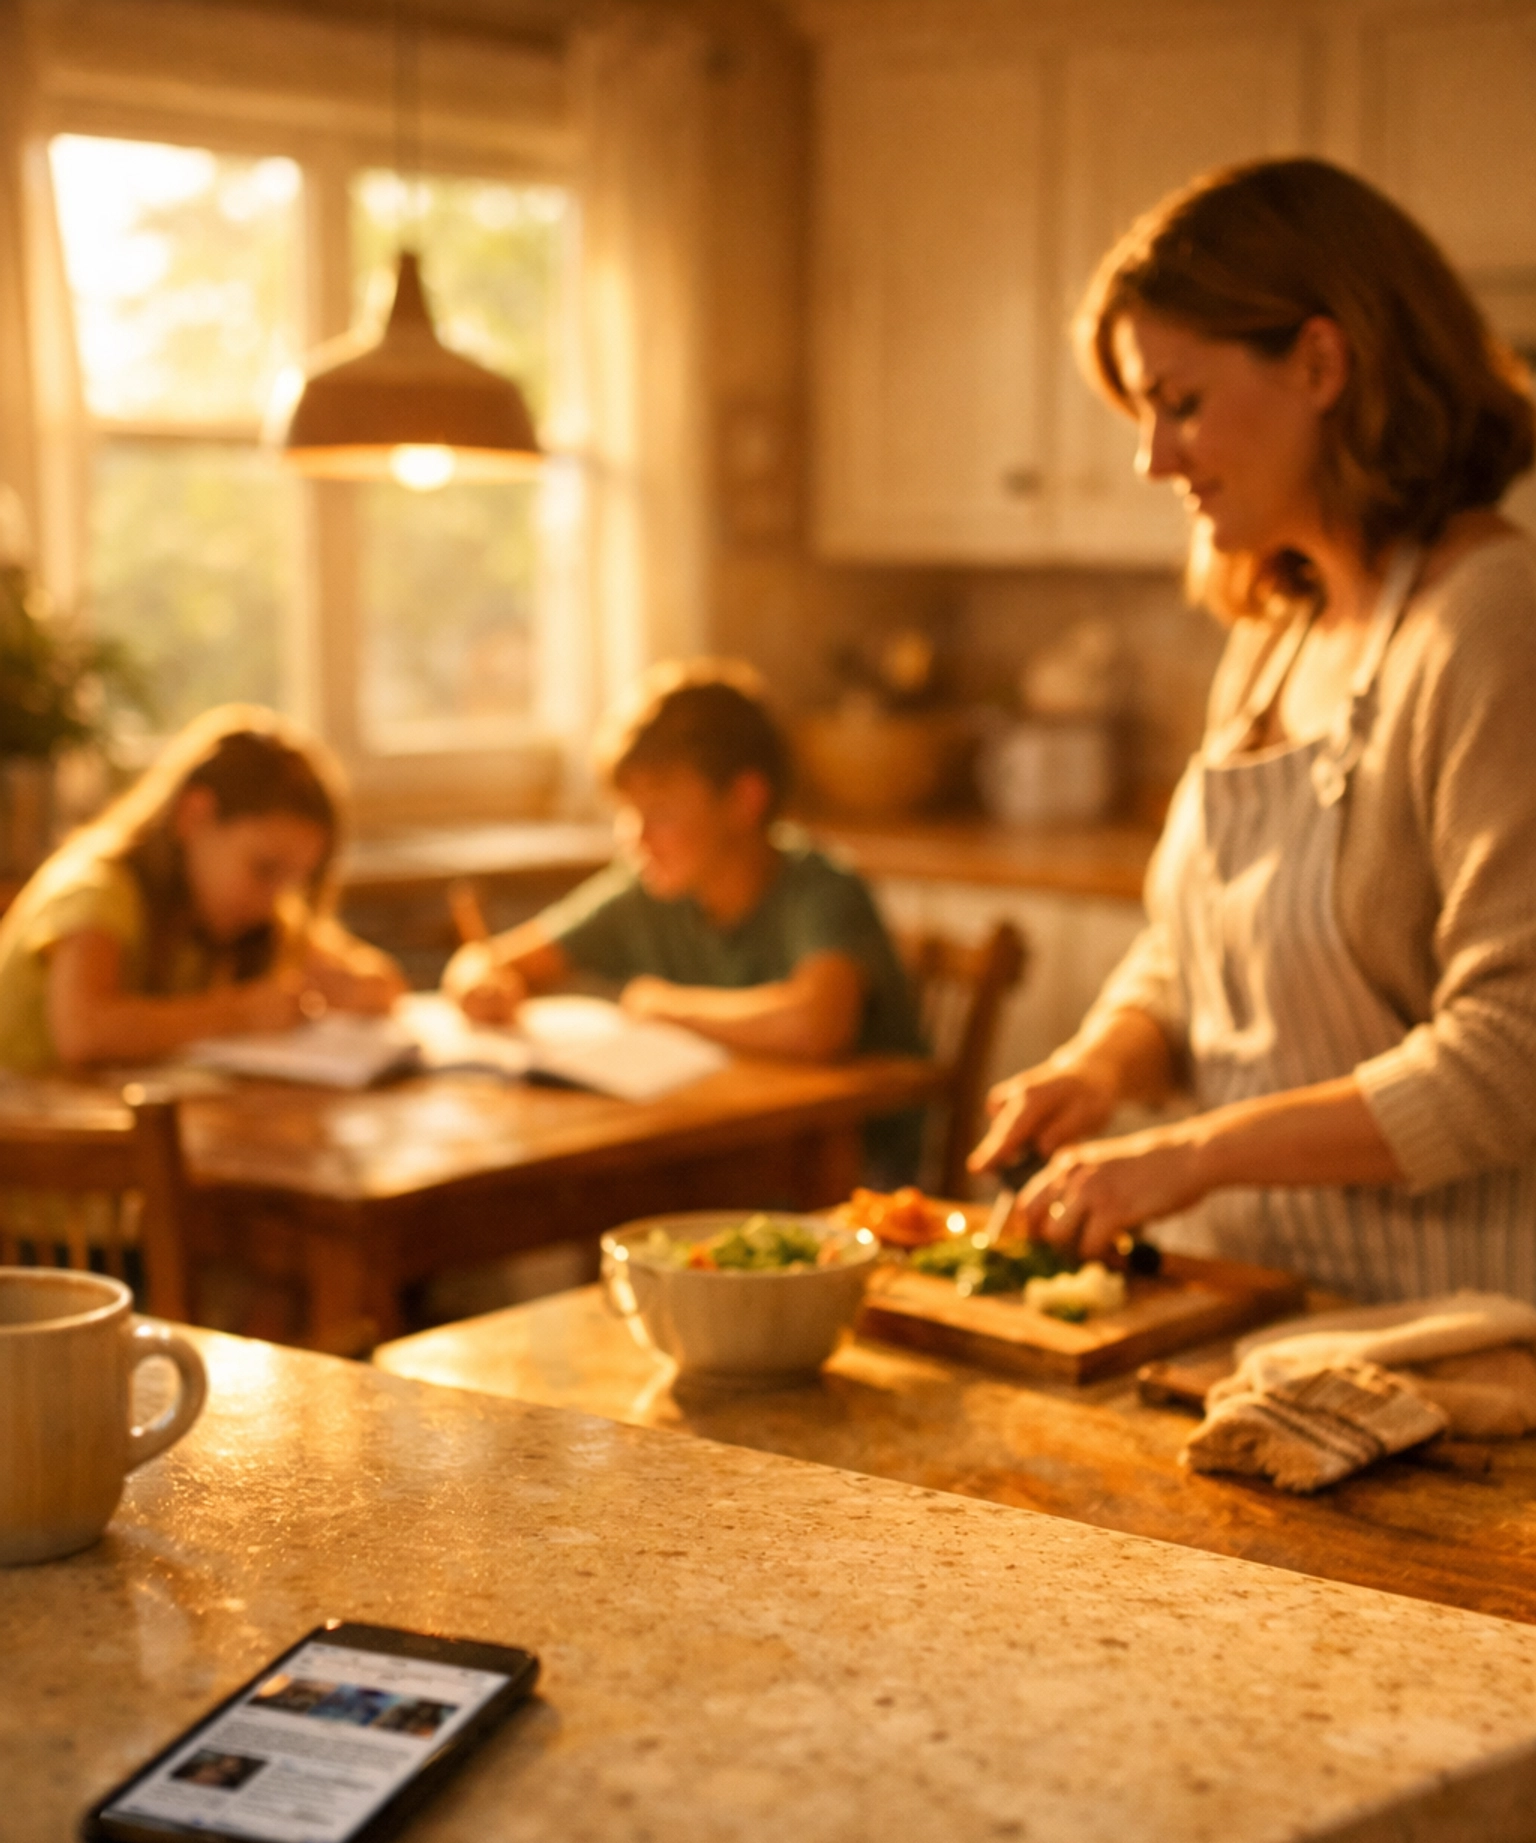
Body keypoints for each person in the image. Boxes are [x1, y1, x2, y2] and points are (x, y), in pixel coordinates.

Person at [971, 157, 1536, 1303]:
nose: (1152, 458)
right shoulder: (1279, 631)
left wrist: (1192, 1154)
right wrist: (1101, 1064)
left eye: (1180, 402)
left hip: (1456, 1337)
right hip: (1254, 1300)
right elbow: (1195, 960)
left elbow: (1512, 1054)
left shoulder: (1490, 623)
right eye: (1144, 412)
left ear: (1322, 364)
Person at [444, 660, 925, 1138]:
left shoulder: (823, 888)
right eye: (628, 812)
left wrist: (659, 1005)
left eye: (661, 812)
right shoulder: (648, 889)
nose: (636, 837)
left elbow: (816, 1025)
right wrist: (481, 980)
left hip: (848, 1177)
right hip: (725, 1146)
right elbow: (488, 959)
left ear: (744, 800)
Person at [0, 704, 401, 1073]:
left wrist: (346, 990)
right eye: (264, 869)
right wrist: (239, 1014)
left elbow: (384, 982)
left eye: (292, 883)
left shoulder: (241, 913)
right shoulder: (97, 890)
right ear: (194, 816)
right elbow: (83, 1033)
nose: (273, 901)